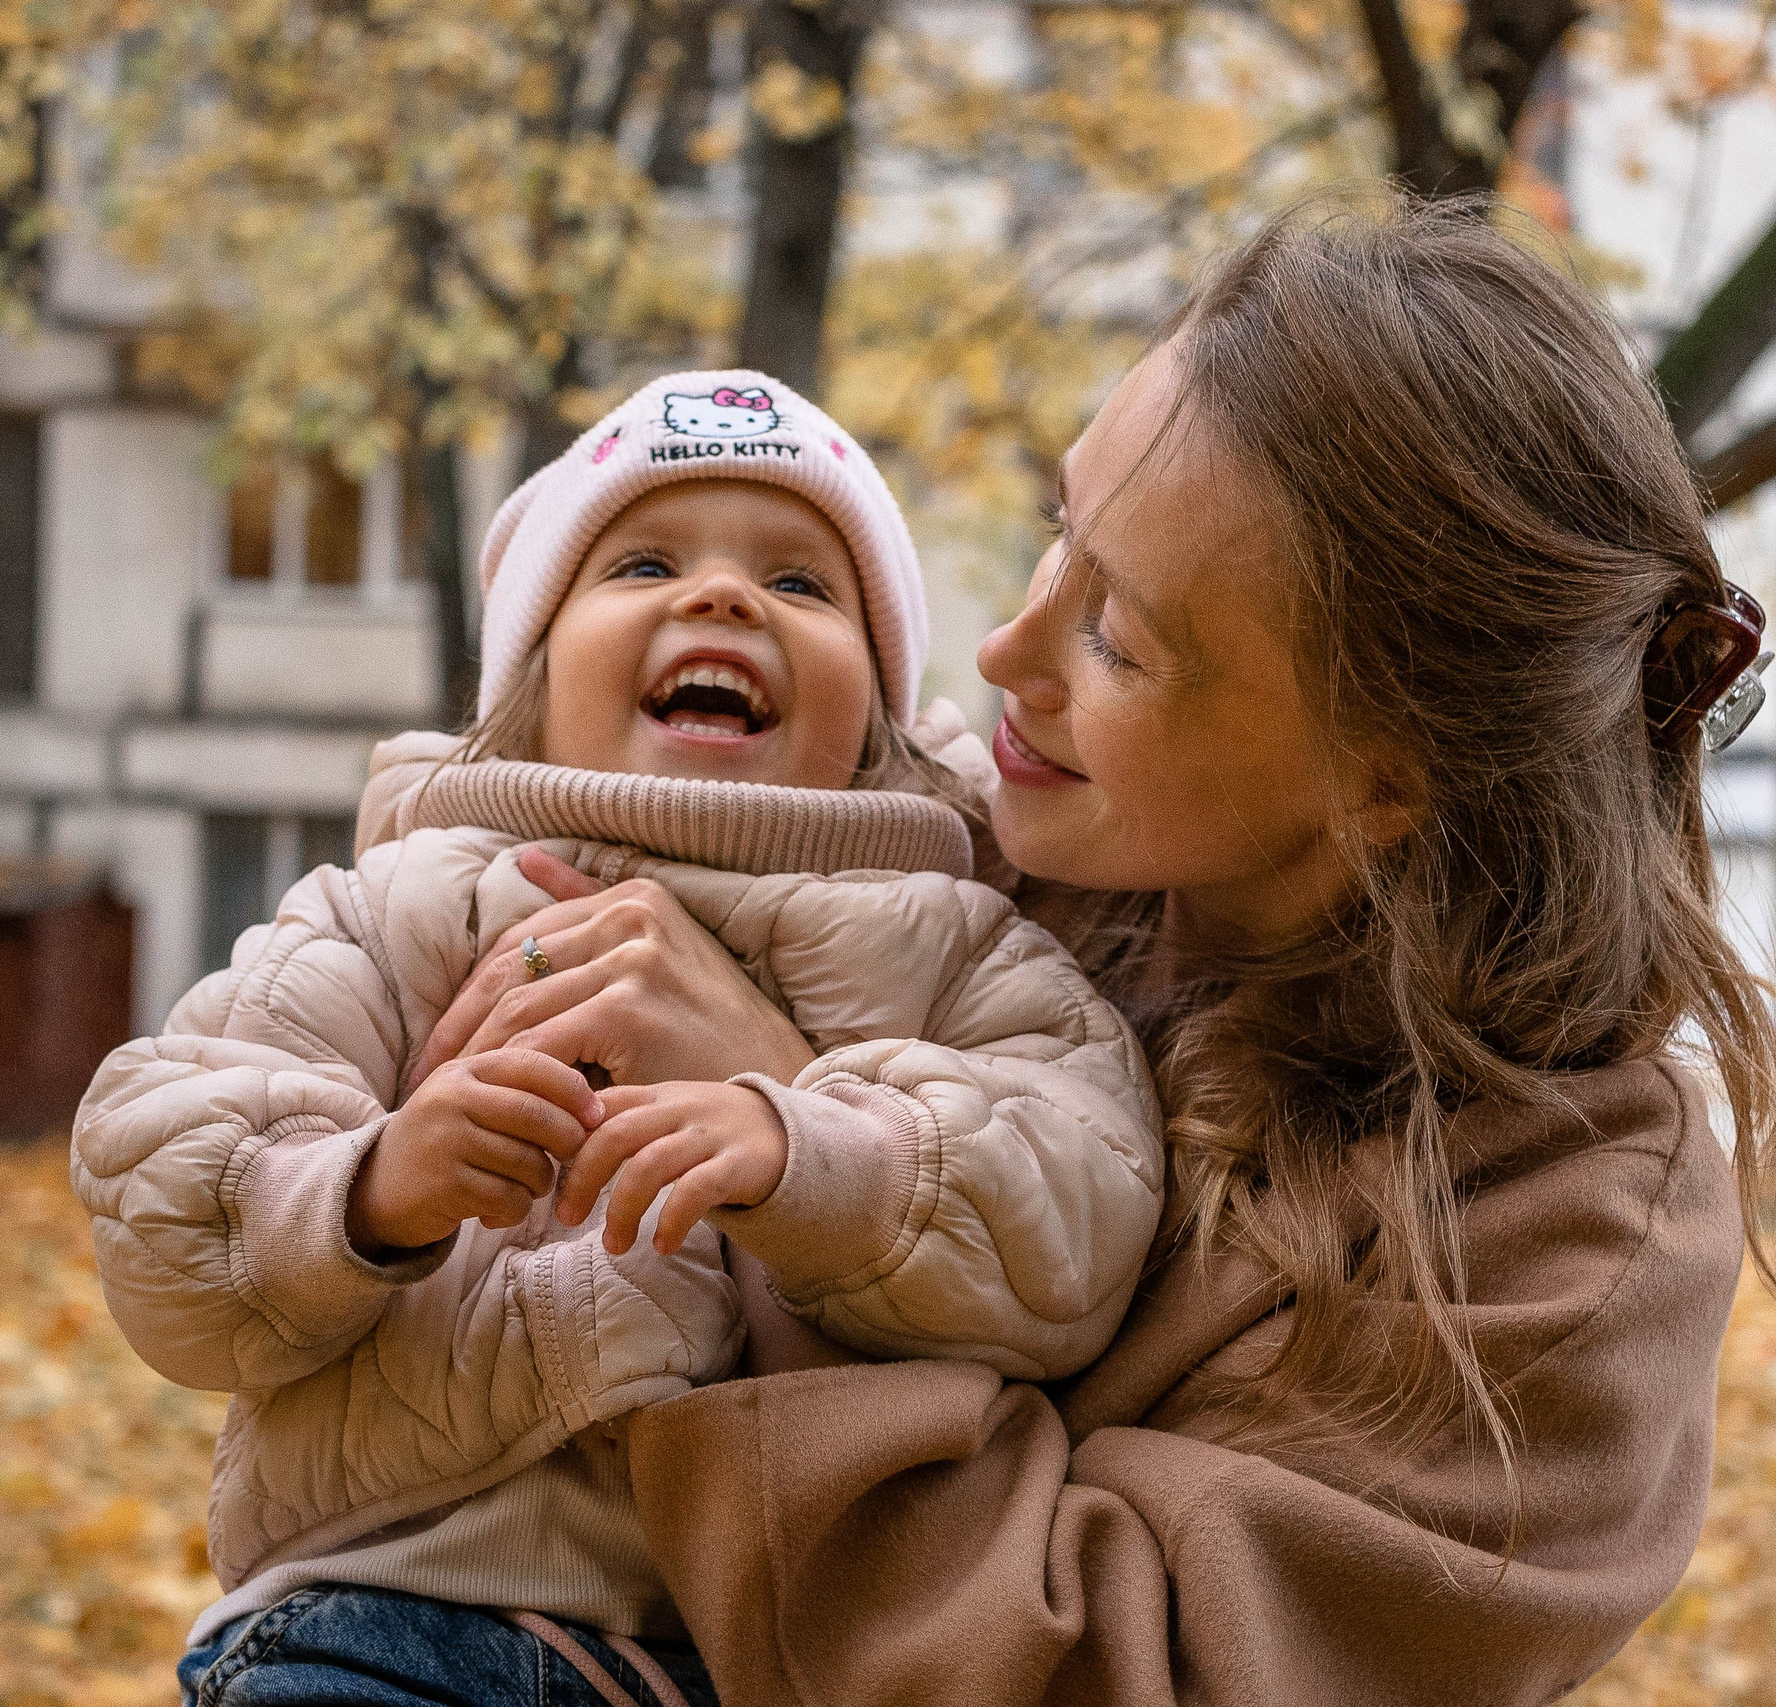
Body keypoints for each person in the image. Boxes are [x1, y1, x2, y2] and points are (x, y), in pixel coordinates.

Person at [413, 198, 1776, 1706]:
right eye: (1062, 525)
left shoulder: (1564, 1240)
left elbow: (1110, 1676)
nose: (1008, 651)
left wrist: (809, 1154)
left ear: (1385, 774)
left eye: (1119, 638)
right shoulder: (932, 851)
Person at [70, 370, 1165, 1707]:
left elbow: (1080, 1220)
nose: (720, 597)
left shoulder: (954, 935)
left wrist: (807, 1136)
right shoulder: (403, 904)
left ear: (878, 721)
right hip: (392, 1615)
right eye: (644, 561)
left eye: (805, 585)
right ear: (528, 686)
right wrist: (367, 1188)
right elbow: (163, 1195)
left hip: (769, 1656)